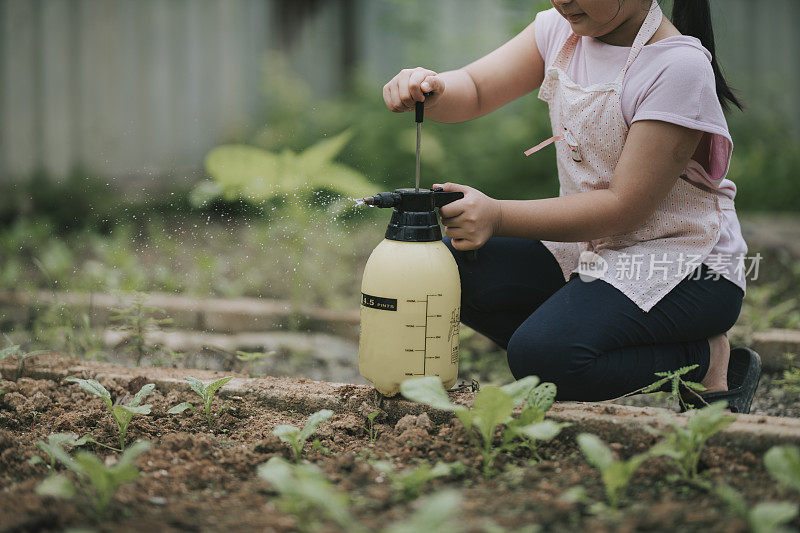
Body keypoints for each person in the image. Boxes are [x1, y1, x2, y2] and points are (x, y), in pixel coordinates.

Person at [381, 0, 761, 412]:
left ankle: (702, 360)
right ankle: (573, 335)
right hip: (591, 249)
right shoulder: (560, 30)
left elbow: (623, 207)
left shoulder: (677, 67)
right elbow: (474, 89)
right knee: (449, 269)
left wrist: (499, 216)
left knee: (545, 358)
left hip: (685, 268)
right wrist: (433, 90)